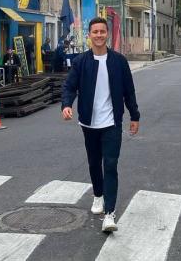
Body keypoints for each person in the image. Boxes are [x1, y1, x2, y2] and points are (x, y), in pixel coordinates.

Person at [61, 17, 140, 233]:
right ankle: (98, 195)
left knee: (111, 164)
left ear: (107, 34)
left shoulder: (119, 62)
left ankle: (110, 214)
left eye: (102, 31)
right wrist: (66, 105)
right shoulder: (81, 62)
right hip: (89, 122)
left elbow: (128, 91)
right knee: (94, 163)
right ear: (89, 34)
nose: (98, 35)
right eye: (95, 31)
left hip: (112, 122)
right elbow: (69, 86)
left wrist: (135, 116)